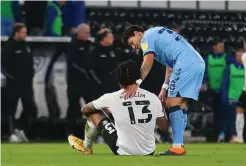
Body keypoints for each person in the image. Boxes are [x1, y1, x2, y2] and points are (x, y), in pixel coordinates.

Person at [122, 25, 205, 155]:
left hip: (184, 63)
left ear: (137, 33)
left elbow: (147, 62)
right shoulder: (157, 34)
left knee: (172, 104)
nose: (134, 47)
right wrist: (164, 87)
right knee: (181, 104)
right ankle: (179, 145)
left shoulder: (146, 37)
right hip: (197, 62)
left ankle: (177, 147)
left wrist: (137, 82)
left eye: (132, 43)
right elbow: (170, 65)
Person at [68, 61, 168, 155]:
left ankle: (87, 147)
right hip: (149, 151)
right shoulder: (153, 97)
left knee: (94, 114)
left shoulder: (112, 97)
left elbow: (84, 109)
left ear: (119, 82)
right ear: (138, 79)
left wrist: (106, 114)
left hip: (123, 151)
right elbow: (164, 127)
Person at [1, 23, 37, 142]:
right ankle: (11, 133)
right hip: (13, 84)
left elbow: (30, 62)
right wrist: (11, 78)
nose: (25, 35)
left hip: (27, 83)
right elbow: (2, 66)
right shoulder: (9, 46)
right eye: (23, 32)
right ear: (16, 33)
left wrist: (31, 74)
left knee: (30, 108)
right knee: (11, 109)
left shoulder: (26, 46)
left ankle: (20, 128)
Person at [66, 23, 96, 136]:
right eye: (86, 33)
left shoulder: (90, 45)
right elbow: (72, 63)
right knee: (73, 107)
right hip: (74, 82)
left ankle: (94, 132)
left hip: (87, 83)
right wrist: (84, 72)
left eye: (89, 33)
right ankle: (70, 132)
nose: (88, 35)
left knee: (91, 108)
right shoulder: (72, 45)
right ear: (79, 32)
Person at [202, 39, 234, 140]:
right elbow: (204, 73)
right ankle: (217, 134)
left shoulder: (227, 58)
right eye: (220, 46)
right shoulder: (208, 59)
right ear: (214, 47)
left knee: (224, 113)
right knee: (216, 113)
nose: (222, 48)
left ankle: (225, 133)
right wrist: (203, 83)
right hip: (212, 91)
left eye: (223, 46)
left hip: (224, 91)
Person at [89, 28, 128, 96]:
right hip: (100, 88)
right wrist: (98, 82)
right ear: (104, 39)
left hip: (114, 87)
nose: (113, 39)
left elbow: (129, 59)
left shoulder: (115, 50)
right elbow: (90, 69)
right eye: (111, 37)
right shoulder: (94, 51)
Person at [219, 49, 245, 142]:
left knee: (242, 118)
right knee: (231, 118)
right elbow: (225, 83)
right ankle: (234, 136)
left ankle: (241, 136)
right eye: (238, 56)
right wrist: (224, 96)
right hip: (232, 96)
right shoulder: (230, 68)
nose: (240, 58)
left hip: (244, 97)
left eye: (241, 56)